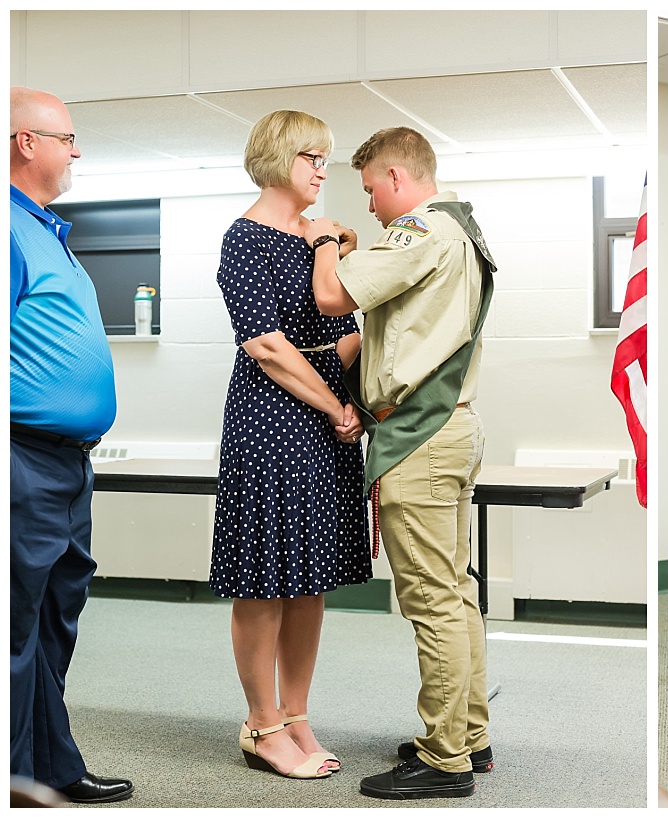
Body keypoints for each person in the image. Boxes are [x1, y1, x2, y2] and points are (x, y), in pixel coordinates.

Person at [309, 126, 496, 799]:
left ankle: (443, 759)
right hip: (451, 426)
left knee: (431, 598)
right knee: (456, 590)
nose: (369, 209)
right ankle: (468, 737)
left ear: (395, 177)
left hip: (420, 435)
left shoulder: (421, 232)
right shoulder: (461, 230)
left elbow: (333, 297)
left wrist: (325, 241)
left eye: (368, 192)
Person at [211, 110, 370, 778]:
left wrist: (360, 399)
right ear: (279, 157)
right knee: (266, 580)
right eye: (313, 156)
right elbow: (267, 345)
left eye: (325, 159)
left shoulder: (320, 239)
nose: (322, 170)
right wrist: (335, 402)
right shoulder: (244, 239)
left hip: (331, 418)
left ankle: (298, 717)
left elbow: (347, 327)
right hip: (271, 414)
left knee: (310, 579)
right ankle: (261, 723)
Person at [9, 86, 134, 804]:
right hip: (21, 456)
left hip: (65, 462)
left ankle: (48, 766)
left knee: (55, 616)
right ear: (26, 142)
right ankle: (13, 776)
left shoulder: (46, 230)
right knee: (15, 623)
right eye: (66, 138)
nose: (76, 150)